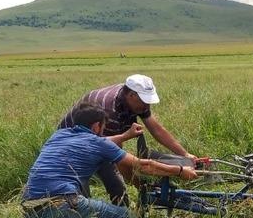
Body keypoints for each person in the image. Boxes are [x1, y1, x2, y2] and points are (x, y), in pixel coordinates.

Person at [24, 103, 198, 218]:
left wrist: (124, 136)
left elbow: (100, 141)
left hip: (30, 210)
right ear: (96, 127)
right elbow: (143, 165)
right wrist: (180, 170)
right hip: (61, 205)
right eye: (102, 128)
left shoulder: (57, 136)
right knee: (124, 216)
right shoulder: (98, 143)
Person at [58, 74, 195, 205]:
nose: (147, 107)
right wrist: (141, 185)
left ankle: (122, 213)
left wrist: (184, 154)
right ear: (131, 95)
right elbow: (118, 159)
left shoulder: (133, 99)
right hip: (71, 145)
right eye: (144, 101)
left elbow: (156, 129)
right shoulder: (108, 112)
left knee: (116, 184)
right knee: (92, 182)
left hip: (95, 138)